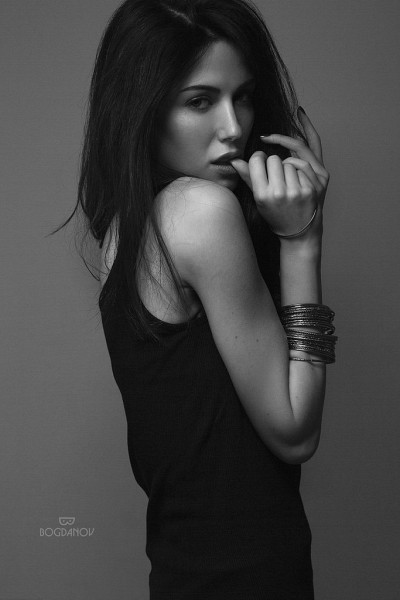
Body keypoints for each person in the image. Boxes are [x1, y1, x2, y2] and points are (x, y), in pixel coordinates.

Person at [54, 0, 337, 597]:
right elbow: (295, 433)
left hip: (186, 573)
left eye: (243, 96)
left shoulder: (124, 230)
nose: (233, 127)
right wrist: (302, 241)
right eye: (200, 101)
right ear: (143, 110)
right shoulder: (201, 212)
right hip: (247, 579)